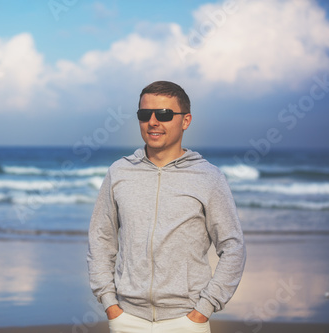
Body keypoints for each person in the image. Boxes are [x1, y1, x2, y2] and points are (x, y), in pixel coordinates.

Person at [87, 81, 246, 333]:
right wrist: (110, 304)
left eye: (164, 114)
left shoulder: (209, 177)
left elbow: (233, 247)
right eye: (144, 114)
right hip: (127, 318)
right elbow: (101, 239)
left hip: (186, 320)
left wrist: (203, 309)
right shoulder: (119, 172)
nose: (153, 121)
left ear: (186, 120)